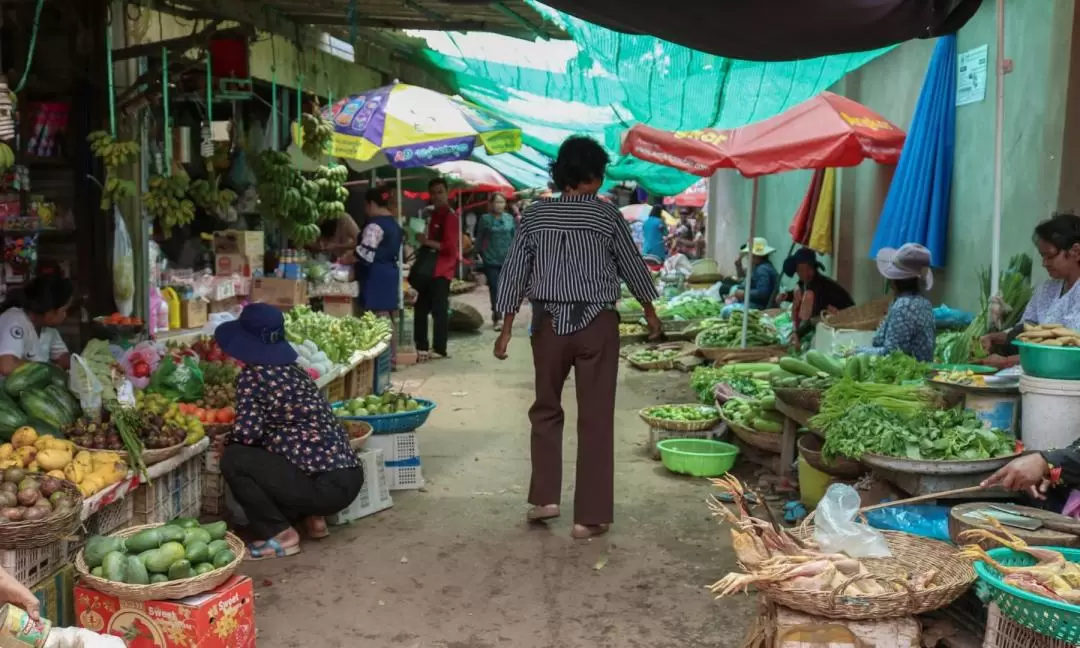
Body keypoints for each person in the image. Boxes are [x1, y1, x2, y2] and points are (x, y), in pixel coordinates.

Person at [492, 135, 662, 540]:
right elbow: (633, 267)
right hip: (597, 324)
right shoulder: (607, 217)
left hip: (548, 323)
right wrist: (650, 312)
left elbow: (515, 270)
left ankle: (545, 499)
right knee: (597, 417)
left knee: (546, 407)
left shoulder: (534, 216)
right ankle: (589, 518)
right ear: (593, 176)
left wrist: (505, 328)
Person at [216, 304, 364, 560]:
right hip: (349, 477)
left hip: (321, 488)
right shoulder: (296, 372)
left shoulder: (253, 376)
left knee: (235, 458)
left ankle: (281, 536)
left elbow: (246, 435)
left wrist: (225, 441)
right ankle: (315, 521)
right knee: (284, 448)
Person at [980, 211, 1080, 369]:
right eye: (1042, 256)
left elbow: (1067, 351)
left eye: (1050, 256)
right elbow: (1028, 329)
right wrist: (998, 337)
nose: (1044, 263)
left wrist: (1007, 362)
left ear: (1076, 251)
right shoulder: (1048, 288)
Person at [857, 243, 936, 362]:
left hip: (910, 375)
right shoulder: (924, 303)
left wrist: (857, 351)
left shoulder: (904, 306)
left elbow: (892, 354)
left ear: (894, 281)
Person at [351, 186, 403, 363]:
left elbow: (365, 254)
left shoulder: (375, 225)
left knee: (380, 316)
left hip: (376, 275)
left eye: (366, 205)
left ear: (372, 204)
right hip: (389, 272)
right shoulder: (394, 224)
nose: (365, 210)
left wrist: (347, 258)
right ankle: (391, 358)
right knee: (386, 315)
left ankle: (386, 358)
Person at [414, 178, 459, 361]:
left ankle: (440, 348)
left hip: (442, 270)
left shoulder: (450, 217)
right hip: (428, 270)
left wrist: (426, 242)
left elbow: (450, 247)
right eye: (433, 192)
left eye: (440, 192)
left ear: (447, 193)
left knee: (439, 310)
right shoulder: (431, 215)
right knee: (420, 308)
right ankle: (421, 346)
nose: (436, 196)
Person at [0, 274, 73, 375]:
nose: (65, 315)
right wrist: (48, 369)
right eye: (64, 310)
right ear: (49, 311)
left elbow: (62, 357)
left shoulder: (48, 328)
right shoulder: (14, 321)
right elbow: (7, 366)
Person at [782, 248, 855, 345]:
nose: (805, 273)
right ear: (797, 271)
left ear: (814, 268)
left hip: (846, 325)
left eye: (808, 269)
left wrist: (798, 333)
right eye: (801, 270)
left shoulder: (818, 286)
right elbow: (799, 295)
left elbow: (815, 316)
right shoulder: (805, 283)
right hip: (824, 322)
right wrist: (787, 296)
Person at [475, 193, 517, 331]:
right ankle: (498, 317)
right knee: (495, 287)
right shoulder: (485, 219)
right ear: (491, 204)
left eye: (502, 202)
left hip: (508, 259)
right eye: (497, 202)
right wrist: (479, 254)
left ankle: (504, 314)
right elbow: (480, 238)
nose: (499, 205)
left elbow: (515, 237)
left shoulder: (510, 218)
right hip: (491, 259)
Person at [733, 238, 779, 310]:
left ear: (755, 256)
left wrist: (744, 294)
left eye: (749, 255)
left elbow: (762, 293)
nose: (748, 258)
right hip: (762, 303)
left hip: (762, 306)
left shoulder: (762, 269)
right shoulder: (763, 266)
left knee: (727, 311)